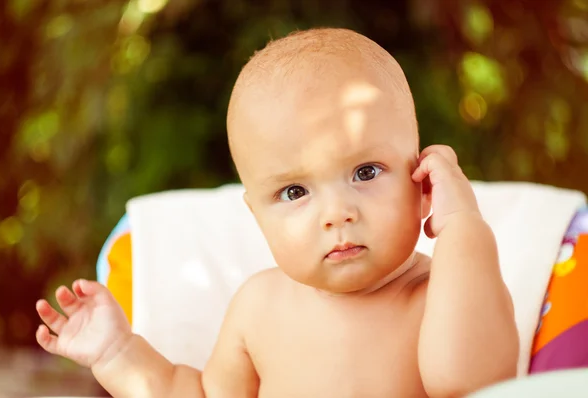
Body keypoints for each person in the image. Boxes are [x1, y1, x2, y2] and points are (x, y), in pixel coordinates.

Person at [35, 27, 519, 397]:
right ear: (256, 215)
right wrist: (116, 353)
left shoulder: (438, 297)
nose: (337, 213)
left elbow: (470, 381)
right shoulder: (258, 307)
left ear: (423, 183)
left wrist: (461, 229)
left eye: (366, 172)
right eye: (293, 193)